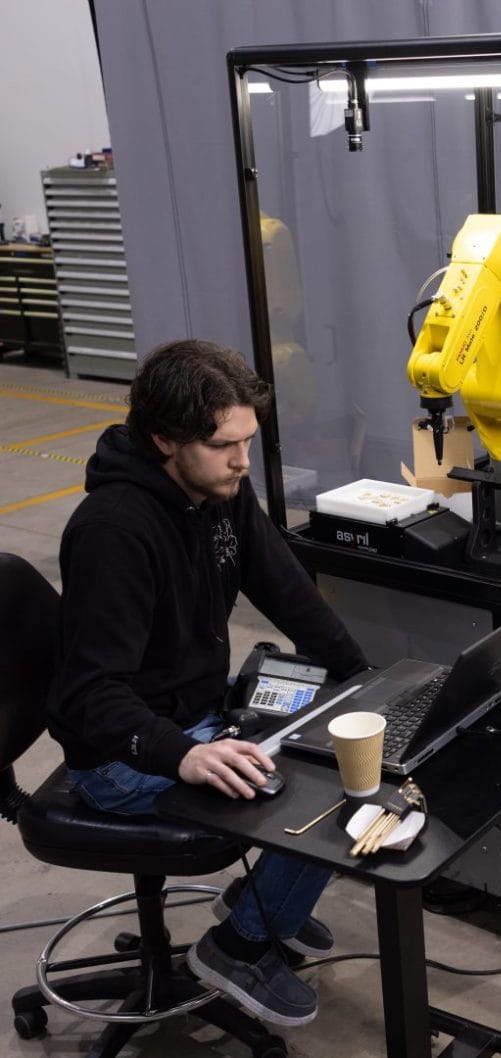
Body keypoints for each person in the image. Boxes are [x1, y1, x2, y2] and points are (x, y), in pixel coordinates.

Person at [46, 339, 369, 1028]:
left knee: (345, 735)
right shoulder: (113, 532)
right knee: (331, 786)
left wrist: (361, 676)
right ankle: (240, 945)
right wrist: (185, 754)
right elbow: (89, 696)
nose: (242, 462)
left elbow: (284, 587)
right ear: (165, 438)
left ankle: (263, 907)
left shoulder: (217, 488)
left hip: (195, 711)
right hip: (122, 756)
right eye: (226, 445)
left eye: (249, 441)